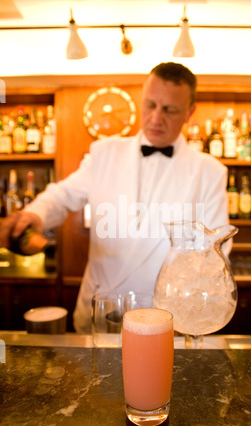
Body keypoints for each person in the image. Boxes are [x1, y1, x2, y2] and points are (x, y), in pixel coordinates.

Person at [0, 62, 229, 333]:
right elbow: (61, 196)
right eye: (150, 105)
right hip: (103, 310)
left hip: (166, 319)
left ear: (189, 113)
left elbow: (216, 252)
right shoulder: (103, 153)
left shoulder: (210, 172)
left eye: (169, 110)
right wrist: (34, 215)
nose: (156, 118)